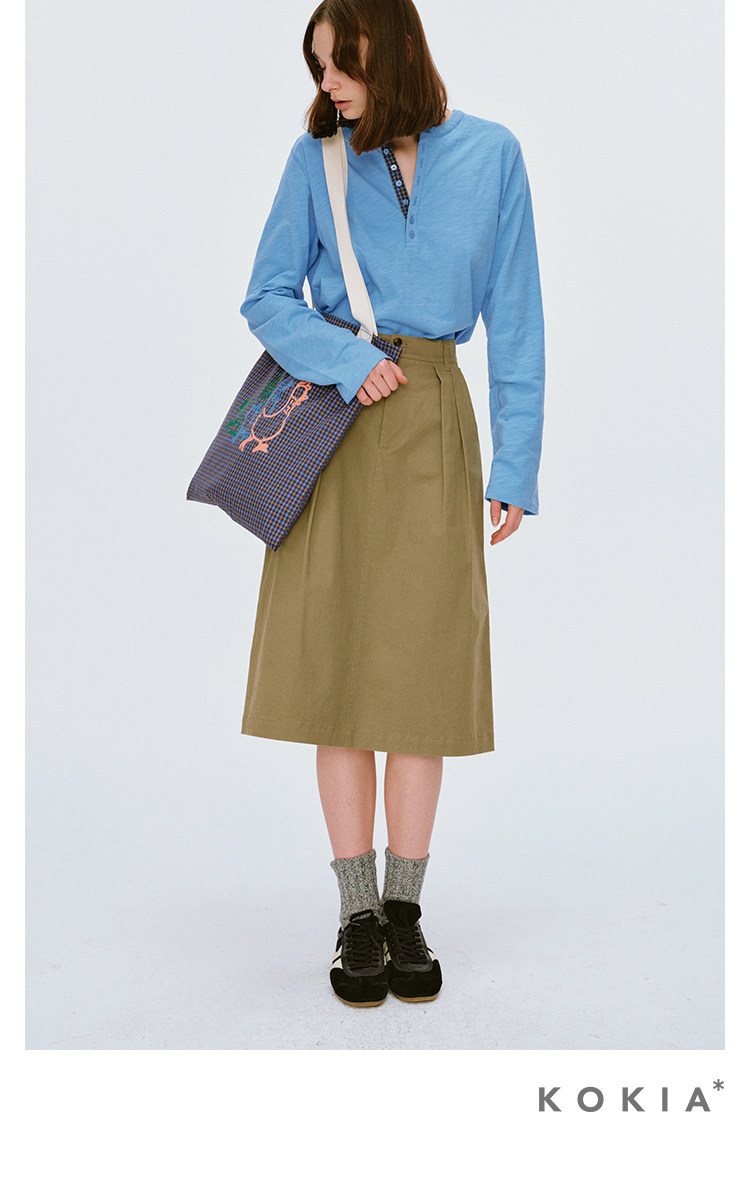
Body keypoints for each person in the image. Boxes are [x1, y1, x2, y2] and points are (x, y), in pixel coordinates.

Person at [239, 0, 545, 1007]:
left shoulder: (493, 156)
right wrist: (342, 359)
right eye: (319, 66)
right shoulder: (316, 161)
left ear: (397, 51)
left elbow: (517, 315)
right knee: (336, 672)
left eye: (344, 63)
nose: (328, 84)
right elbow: (267, 294)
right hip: (333, 425)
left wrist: (515, 464)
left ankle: (406, 909)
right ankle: (355, 913)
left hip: (435, 422)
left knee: (419, 677)